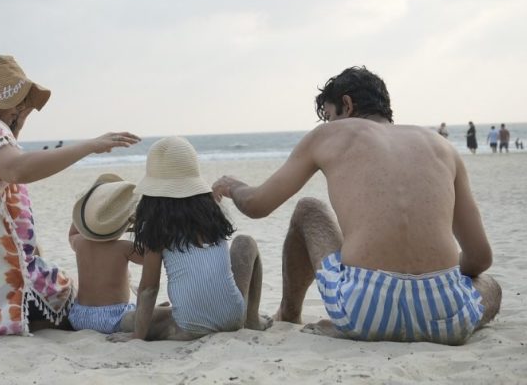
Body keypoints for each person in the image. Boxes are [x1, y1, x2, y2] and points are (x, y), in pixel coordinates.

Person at [213, 67, 501, 345]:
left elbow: (257, 205)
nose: (328, 124)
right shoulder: (442, 147)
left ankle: (289, 313)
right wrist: (436, 275)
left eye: (328, 116)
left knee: (308, 209)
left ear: (346, 105)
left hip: (362, 313)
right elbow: (479, 257)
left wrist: (233, 185)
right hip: (446, 317)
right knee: (491, 287)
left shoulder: (328, 136)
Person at [0, 53, 141, 347]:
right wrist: (89, 146)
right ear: (7, 104)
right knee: (75, 300)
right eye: (21, 104)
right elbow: (17, 168)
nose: (24, 111)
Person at [110, 136, 271, 342]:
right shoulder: (212, 213)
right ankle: (252, 319)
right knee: (245, 242)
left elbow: (149, 289)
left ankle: (155, 325)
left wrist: (136, 338)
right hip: (233, 318)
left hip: (189, 328)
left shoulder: (156, 227)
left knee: (130, 320)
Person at [68, 173, 152, 335]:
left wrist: (83, 215)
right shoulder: (124, 247)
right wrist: (142, 228)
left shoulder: (80, 243)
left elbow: (72, 233)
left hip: (79, 316)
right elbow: (149, 257)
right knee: (154, 315)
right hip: (114, 317)